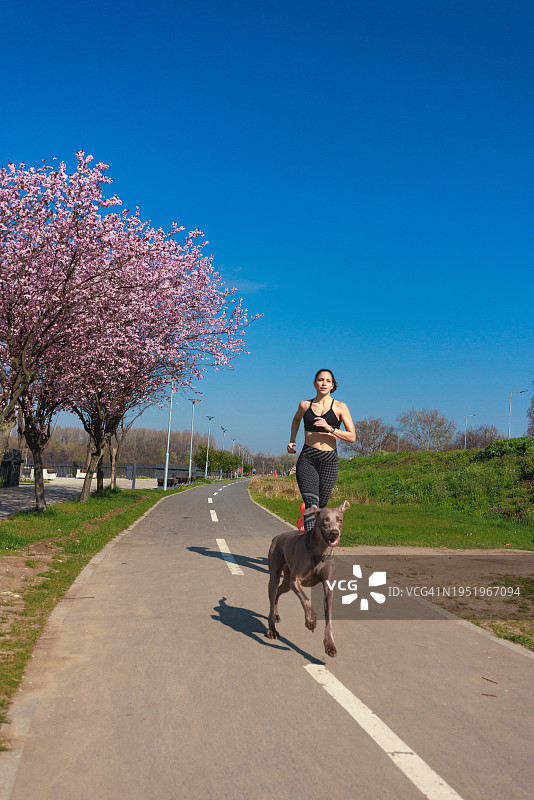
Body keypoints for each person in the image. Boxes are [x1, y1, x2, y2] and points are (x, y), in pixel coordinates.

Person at [287, 369, 356, 532]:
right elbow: (296, 419)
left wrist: (330, 429)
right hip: (308, 458)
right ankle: (310, 550)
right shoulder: (305, 405)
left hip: (329, 460)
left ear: (333, 385)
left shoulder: (340, 407)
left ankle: (305, 524)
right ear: (314, 383)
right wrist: (292, 440)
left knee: (321, 506)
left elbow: (352, 436)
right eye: (320, 380)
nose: (324, 383)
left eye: (328, 381)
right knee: (312, 504)